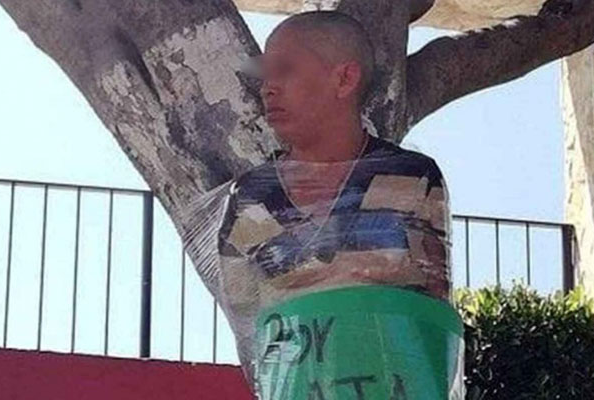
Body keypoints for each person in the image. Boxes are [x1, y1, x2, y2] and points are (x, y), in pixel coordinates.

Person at [182, 10, 453, 392]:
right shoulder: (250, 199)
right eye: (266, 75)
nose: (268, 88)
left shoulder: (412, 180)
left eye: (285, 70)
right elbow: (250, 328)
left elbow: (432, 312)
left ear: (344, 79)